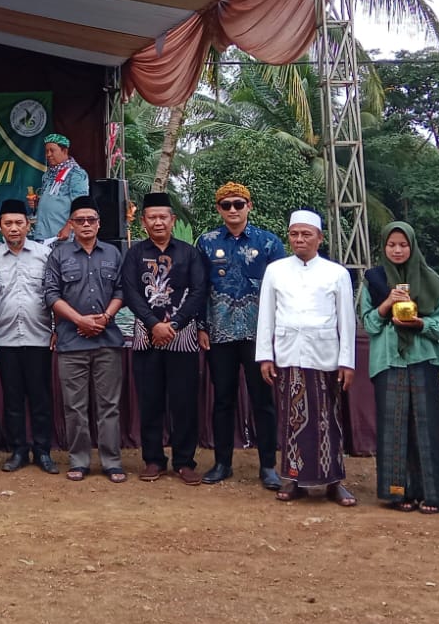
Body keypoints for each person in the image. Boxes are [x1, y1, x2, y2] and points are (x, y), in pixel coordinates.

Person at [256, 210, 356, 506]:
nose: (299, 240)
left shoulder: (337, 273)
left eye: (306, 234)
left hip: (325, 354)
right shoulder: (276, 270)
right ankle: (291, 478)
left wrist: (347, 361)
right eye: (294, 234)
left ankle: (333, 481)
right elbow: (266, 316)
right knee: (290, 418)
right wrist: (265, 356)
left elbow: (347, 322)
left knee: (328, 419)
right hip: (288, 354)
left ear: (319, 238)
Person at [196, 182, 283, 489]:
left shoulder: (269, 243)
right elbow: (199, 288)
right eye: (226, 205)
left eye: (238, 203)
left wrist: (276, 334)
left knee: (263, 400)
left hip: (258, 335)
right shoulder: (206, 242)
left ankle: (269, 465)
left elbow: (280, 291)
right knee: (223, 399)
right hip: (219, 333)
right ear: (218, 209)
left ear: (250, 205)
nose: (233, 209)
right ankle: (222, 462)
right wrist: (201, 326)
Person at [360, 222, 439, 514]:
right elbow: (368, 324)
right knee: (393, 427)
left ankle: (431, 494)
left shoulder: (431, 281)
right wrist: (387, 303)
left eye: (403, 245)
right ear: (384, 248)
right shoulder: (373, 280)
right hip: (388, 360)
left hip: (423, 359)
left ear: (412, 246)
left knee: (426, 427)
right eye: (391, 245)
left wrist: (420, 322)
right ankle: (399, 492)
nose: (397, 250)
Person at [121, 193, 208, 485]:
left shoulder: (189, 253)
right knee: (150, 401)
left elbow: (199, 291)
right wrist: (153, 324)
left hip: (181, 338)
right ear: (144, 222)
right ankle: (153, 459)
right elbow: (131, 291)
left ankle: (185, 461)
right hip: (147, 338)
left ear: (172, 220)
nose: (158, 222)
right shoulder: (134, 254)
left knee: (184, 402)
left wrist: (174, 324)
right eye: (152, 217)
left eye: (163, 217)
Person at [44, 194, 126, 482]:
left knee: (109, 406)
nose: (87, 224)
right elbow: (51, 294)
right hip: (71, 342)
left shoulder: (113, 254)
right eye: (80, 220)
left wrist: (104, 318)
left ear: (99, 224)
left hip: (107, 341)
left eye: (92, 220)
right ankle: (79, 461)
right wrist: (79, 320)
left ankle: (111, 461)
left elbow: (121, 291)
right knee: (75, 406)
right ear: (72, 224)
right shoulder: (59, 255)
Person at [0, 199, 57, 474]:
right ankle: (17, 450)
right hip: (4, 339)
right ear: (0, 227)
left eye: (19, 223)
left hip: (40, 337)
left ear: (28, 225)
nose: (14, 228)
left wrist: (56, 330)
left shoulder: (45, 255)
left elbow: (55, 293)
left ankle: (42, 451)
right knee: (13, 398)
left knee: (41, 398)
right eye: (8, 223)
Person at [29, 133, 89, 243]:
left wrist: (68, 227)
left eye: (52, 150)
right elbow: (54, 199)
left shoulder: (76, 174)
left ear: (64, 151)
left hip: (62, 235)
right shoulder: (48, 174)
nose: (48, 154)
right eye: (46, 151)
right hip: (43, 234)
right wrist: (38, 202)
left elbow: (81, 205)